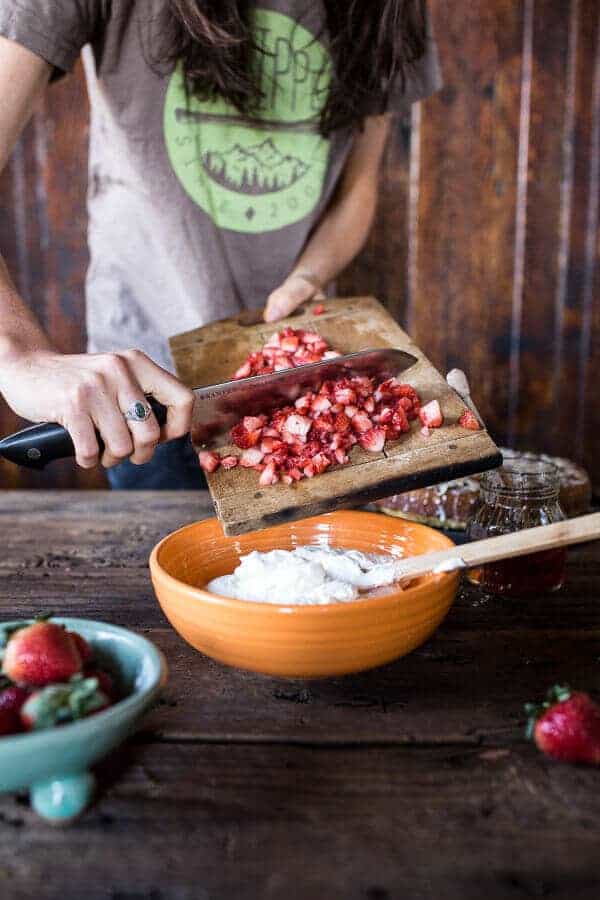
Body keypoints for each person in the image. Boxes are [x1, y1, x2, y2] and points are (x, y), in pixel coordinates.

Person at [0, 1, 441, 488]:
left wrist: (309, 277)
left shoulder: (389, 11)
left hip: (299, 375)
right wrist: (18, 355)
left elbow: (358, 189)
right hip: (149, 389)